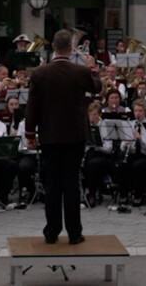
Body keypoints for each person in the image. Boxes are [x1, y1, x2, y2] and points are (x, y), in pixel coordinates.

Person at [24, 29, 102, 244]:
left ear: (52, 48)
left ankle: (51, 232)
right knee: (71, 183)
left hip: (49, 135)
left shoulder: (39, 73)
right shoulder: (80, 72)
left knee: (52, 185)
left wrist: (30, 133)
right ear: (70, 49)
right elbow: (98, 88)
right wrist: (92, 67)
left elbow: (32, 108)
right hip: (75, 136)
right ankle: (74, 233)